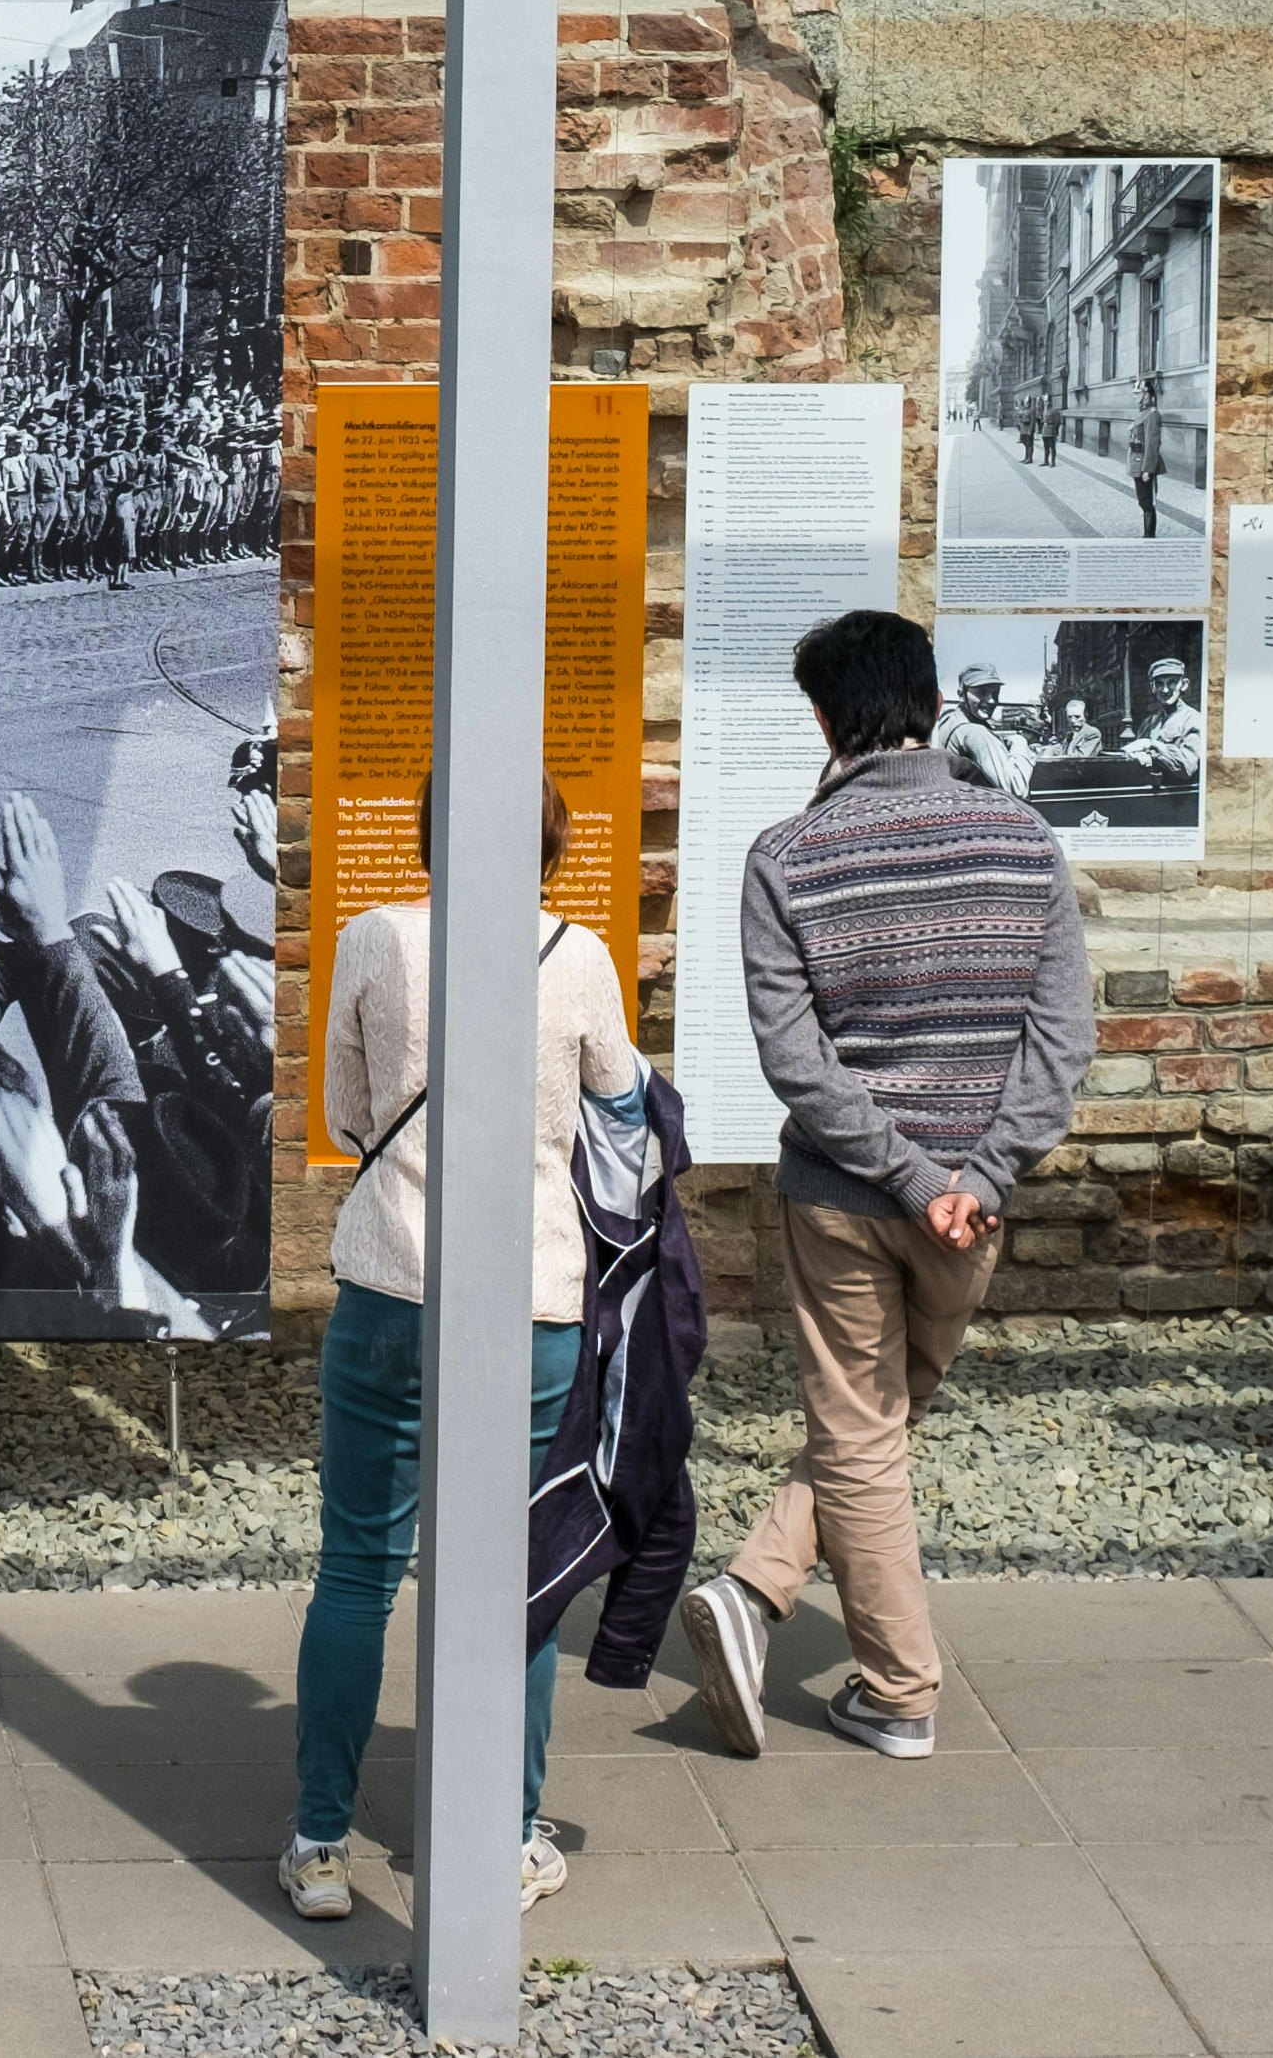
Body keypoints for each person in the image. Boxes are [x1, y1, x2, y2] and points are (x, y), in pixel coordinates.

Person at [675, 608, 1094, 1763]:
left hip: (846, 1193)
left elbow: (792, 1056)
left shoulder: (784, 855)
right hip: (973, 1201)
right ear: (928, 702)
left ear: (822, 714)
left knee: (860, 1428)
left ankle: (893, 1687)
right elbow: (1060, 1036)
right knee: (878, 1419)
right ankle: (762, 1595)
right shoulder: (1022, 840)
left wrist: (909, 1176)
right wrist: (975, 1172)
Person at [282, 779, 647, 1928]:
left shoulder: (372, 938)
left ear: (433, 836)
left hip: (391, 1277)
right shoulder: (577, 953)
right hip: (532, 1293)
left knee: (355, 1568)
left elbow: (346, 1116)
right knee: (507, 1583)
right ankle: (506, 1834)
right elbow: (621, 1097)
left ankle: (319, 1842)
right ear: (549, 846)